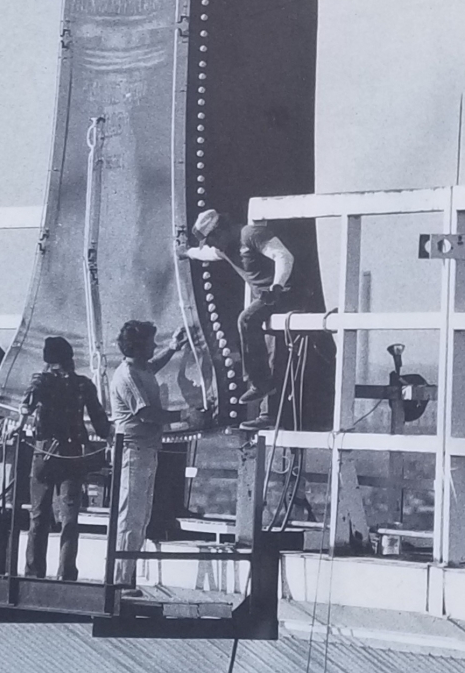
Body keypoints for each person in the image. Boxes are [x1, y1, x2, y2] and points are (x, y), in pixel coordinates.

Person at [180, 210, 294, 430]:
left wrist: (277, 286)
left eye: (211, 239)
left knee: (246, 319)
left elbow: (283, 256)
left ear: (220, 230)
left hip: (284, 292)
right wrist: (187, 253)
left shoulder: (250, 234)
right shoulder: (224, 249)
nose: (212, 245)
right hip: (267, 298)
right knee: (270, 348)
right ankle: (266, 403)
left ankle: (260, 383)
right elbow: (207, 255)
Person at [19, 335, 111, 582]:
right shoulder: (83, 385)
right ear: (70, 359)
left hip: (45, 453)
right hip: (72, 454)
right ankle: (66, 574)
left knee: (38, 517)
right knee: (70, 518)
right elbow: (101, 424)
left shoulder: (41, 381)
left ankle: (33, 574)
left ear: (48, 360)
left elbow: (26, 407)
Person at [109, 320, 189, 596]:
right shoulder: (127, 376)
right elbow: (147, 413)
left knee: (139, 516)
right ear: (138, 346)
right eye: (150, 343)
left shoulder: (138, 368)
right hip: (133, 450)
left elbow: (151, 367)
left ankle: (125, 576)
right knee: (130, 516)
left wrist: (172, 349)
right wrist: (184, 416)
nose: (153, 346)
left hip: (145, 449)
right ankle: (120, 580)